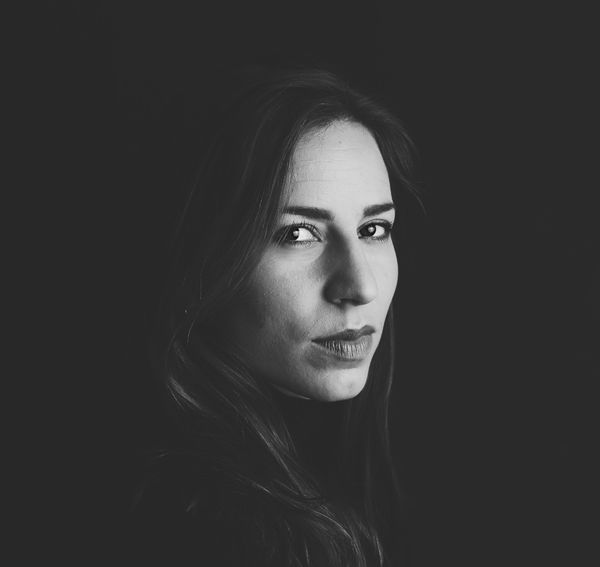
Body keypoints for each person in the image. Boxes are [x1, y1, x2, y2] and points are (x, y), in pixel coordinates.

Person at [129, 67, 423, 567]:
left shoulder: (349, 470)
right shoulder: (199, 526)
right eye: (298, 234)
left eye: (373, 229)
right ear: (210, 260)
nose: (361, 287)